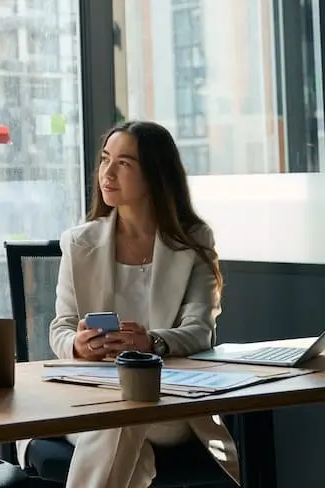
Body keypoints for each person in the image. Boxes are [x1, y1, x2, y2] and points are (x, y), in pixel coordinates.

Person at [17, 121, 239, 488]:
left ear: (153, 175)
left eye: (124, 163)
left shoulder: (193, 241)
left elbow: (199, 330)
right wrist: (77, 343)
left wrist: (151, 342)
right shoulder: (78, 243)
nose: (107, 172)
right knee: (123, 438)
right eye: (106, 159)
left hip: (167, 402)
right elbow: (61, 326)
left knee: (121, 420)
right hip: (87, 395)